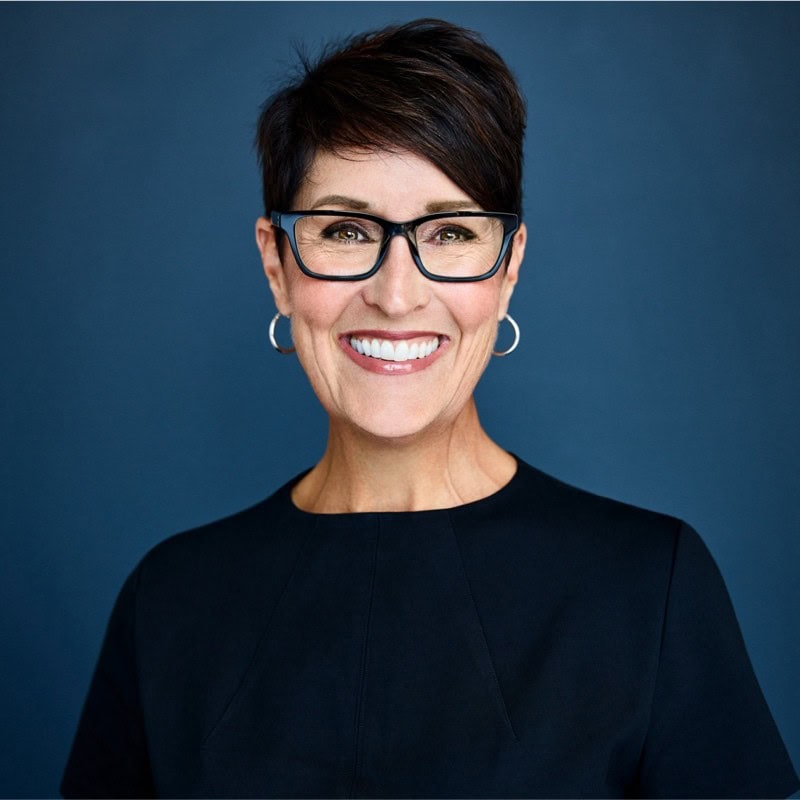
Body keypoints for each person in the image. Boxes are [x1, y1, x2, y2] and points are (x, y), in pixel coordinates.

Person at [61, 18, 798, 799]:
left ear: (508, 268)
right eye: (346, 231)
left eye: (448, 233)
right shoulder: (171, 601)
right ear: (276, 265)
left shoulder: (650, 589)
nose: (396, 294)